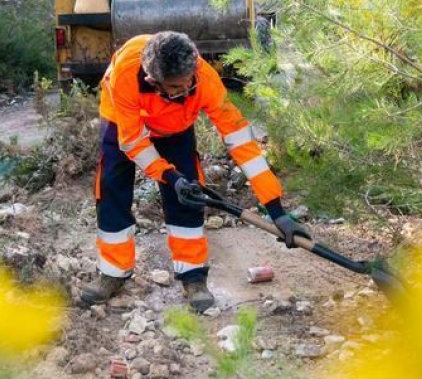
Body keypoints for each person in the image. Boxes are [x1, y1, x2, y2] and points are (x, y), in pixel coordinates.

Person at [79, 31, 310, 312]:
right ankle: (113, 273)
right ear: (153, 81)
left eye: (190, 81)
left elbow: (239, 140)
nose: (187, 88)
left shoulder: (203, 77)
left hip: (176, 127)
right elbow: (133, 142)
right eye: (177, 87)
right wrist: (169, 176)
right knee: (111, 190)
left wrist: (276, 211)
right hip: (121, 120)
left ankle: (193, 276)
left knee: (188, 195)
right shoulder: (126, 75)